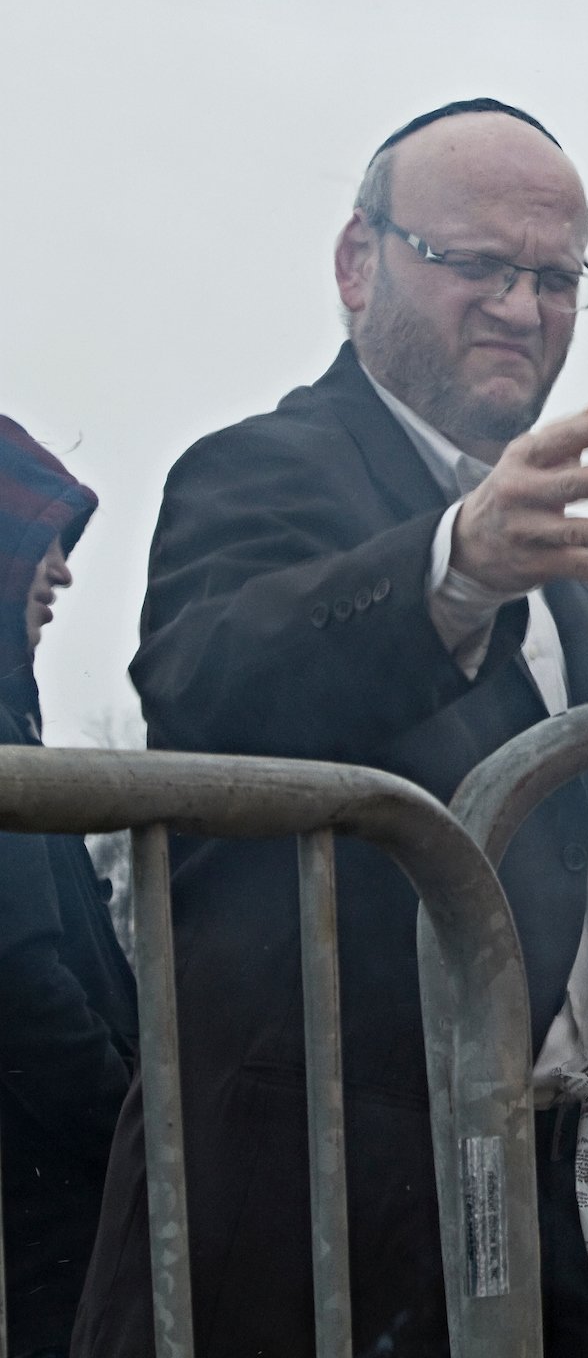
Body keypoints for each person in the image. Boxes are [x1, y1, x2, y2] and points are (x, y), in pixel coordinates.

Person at [76, 101, 588, 1358]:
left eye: (557, 277)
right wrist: (452, 569)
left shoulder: (576, 548)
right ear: (359, 263)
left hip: (554, 1215)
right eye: (478, 265)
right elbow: (210, 685)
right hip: (310, 1229)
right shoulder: (253, 470)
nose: (522, 306)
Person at [0, 419, 136, 1358]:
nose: (62, 570)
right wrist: (136, 1133)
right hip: (39, 1217)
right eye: (38, 535)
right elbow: (22, 985)